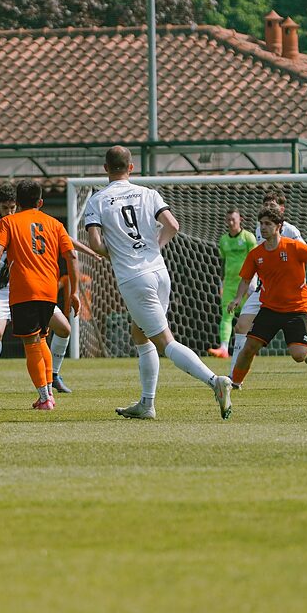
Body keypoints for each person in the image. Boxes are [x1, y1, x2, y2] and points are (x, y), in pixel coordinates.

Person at [83, 145, 233, 420]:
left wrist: (115, 253)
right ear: (131, 167)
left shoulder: (98, 200)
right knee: (140, 333)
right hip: (159, 272)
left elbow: (94, 243)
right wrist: (156, 246)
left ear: (105, 169)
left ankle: (215, 381)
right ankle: (146, 404)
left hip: (134, 278)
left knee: (165, 342)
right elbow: (173, 225)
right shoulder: (148, 193)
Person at [0, 182, 86, 394]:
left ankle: (50, 384)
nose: (9, 211)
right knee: (4, 334)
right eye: (5, 207)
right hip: (12, 289)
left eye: (12, 207)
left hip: (25, 288)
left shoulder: (13, 223)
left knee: (47, 336)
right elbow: (70, 252)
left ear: (17, 203)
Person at [228, 205, 307, 388]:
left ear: (279, 226)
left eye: (268, 224)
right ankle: (235, 383)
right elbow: (246, 279)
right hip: (270, 309)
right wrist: (237, 298)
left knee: (298, 355)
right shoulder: (256, 254)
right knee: (249, 347)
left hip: (297, 309)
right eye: (261, 223)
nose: (263, 227)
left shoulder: (294, 247)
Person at [208, 208, 257, 358]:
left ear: (240, 220)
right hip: (229, 284)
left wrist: (254, 282)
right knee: (226, 315)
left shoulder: (248, 238)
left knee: (248, 317)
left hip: (246, 283)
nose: (230, 223)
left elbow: (256, 260)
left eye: (233, 220)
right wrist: (221, 283)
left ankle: (249, 348)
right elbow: (223, 263)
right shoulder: (223, 240)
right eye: (228, 220)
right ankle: (224, 348)